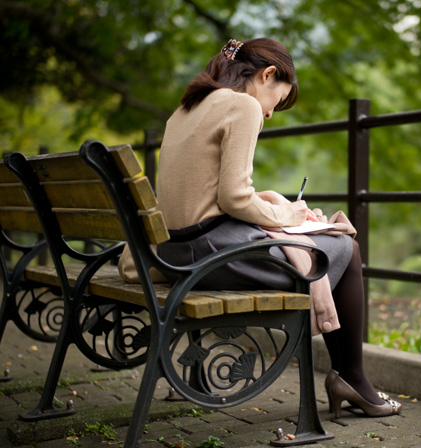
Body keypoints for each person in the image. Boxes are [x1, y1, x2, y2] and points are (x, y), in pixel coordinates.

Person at [154, 37, 401, 418]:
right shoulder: (243, 105)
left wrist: (273, 208)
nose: (270, 114)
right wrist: (292, 218)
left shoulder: (183, 111)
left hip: (172, 250)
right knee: (346, 248)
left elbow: (206, 197)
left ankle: (351, 378)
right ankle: (352, 378)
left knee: (319, 243)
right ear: (268, 74)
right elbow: (235, 198)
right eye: (277, 100)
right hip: (211, 254)